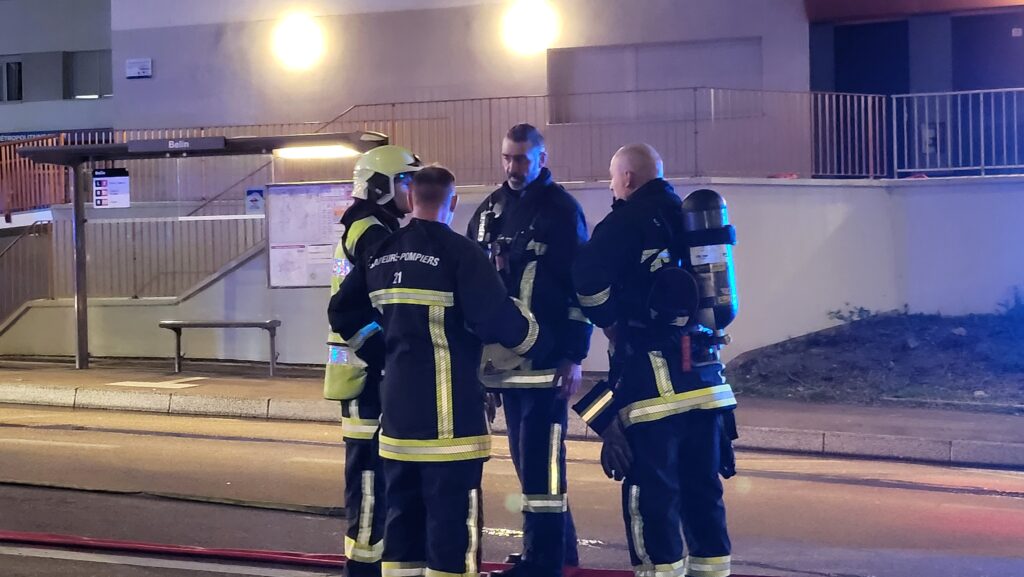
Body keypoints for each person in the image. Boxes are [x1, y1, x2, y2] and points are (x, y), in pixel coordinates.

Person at [329, 165, 553, 577]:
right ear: (453, 202)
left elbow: (342, 311)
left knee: (402, 540)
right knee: (452, 544)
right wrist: (539, 341)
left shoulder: (382, 251)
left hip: (397, 429)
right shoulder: (461, 253)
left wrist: (383, 352)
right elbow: (497, 321)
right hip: (451, 432)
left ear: (412, 198)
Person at [571, 144, 737, 577]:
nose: (612, 186)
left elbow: (586, 282)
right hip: (706, 382)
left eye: (612, 178)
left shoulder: (625, 222)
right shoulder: (691, 219)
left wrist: (610, 321)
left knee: (652, 500)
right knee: (704, 496)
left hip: (652, 390)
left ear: (627, 178)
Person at [466, 123, 590, 577]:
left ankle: (544, 561)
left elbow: (580, 289)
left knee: (542, 465)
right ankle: (559, 551)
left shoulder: (562, 211)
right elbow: (473, 289)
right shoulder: (489, 211)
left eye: (520, 158)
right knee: (528, 462)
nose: (512, 167)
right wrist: (479, 368)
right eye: (506, 157)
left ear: (541, 158)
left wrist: (574, 356)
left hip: (547, 363)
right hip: (502, 363)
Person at [323, 145, 423, 577]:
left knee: (375, 480)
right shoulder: (371, 232)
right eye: (406, 180)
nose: (413, 189)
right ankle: (362, 568)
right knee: (369, 483)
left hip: (364, 376)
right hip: (366, 378)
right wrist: (387, 355)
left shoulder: (371, 225)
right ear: (382, 186)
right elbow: (373, 306)